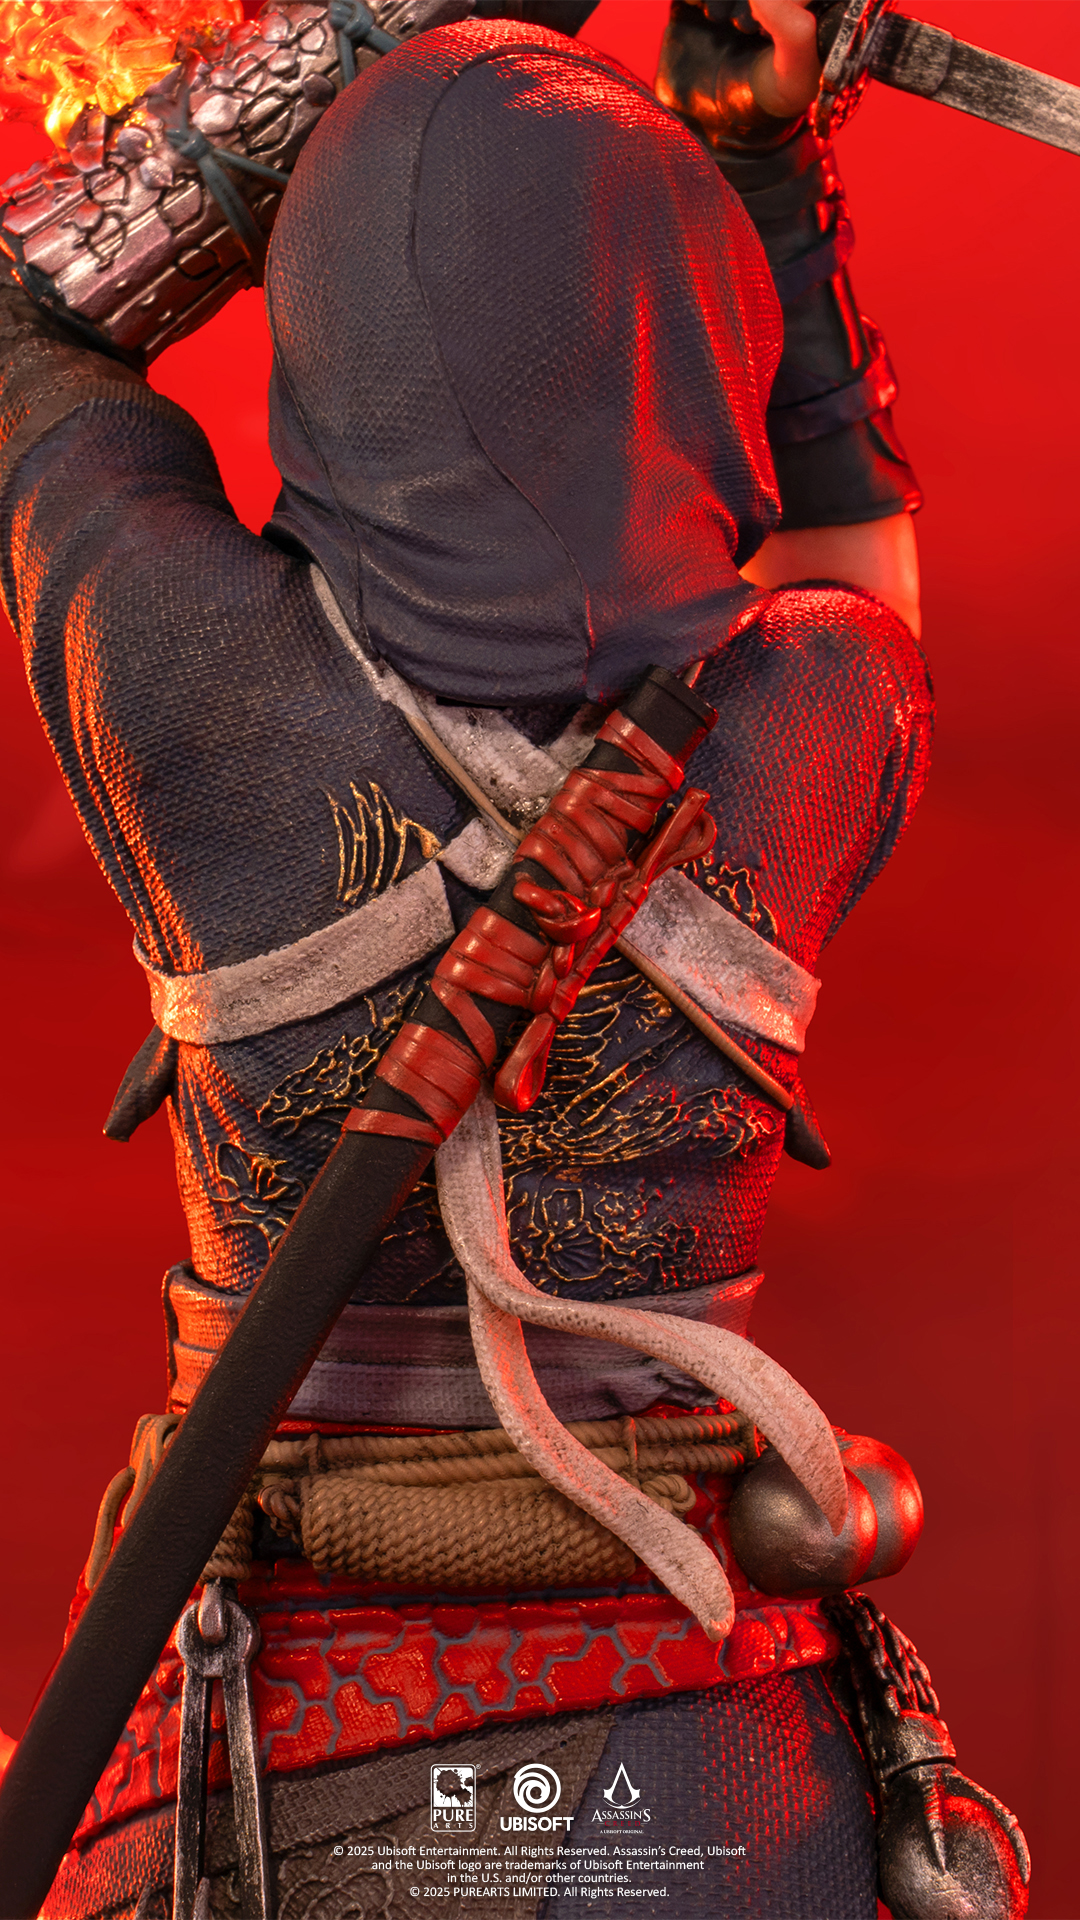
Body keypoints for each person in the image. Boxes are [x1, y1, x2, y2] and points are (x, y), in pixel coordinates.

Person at [0, 1, 1027, 1914]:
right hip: (715, 1730)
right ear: (694, 332)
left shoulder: (179, 678)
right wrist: (764, 168)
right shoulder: (811, 712)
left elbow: (10, 317)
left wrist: (339, 57)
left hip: (300, 1731)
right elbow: (845, 581)